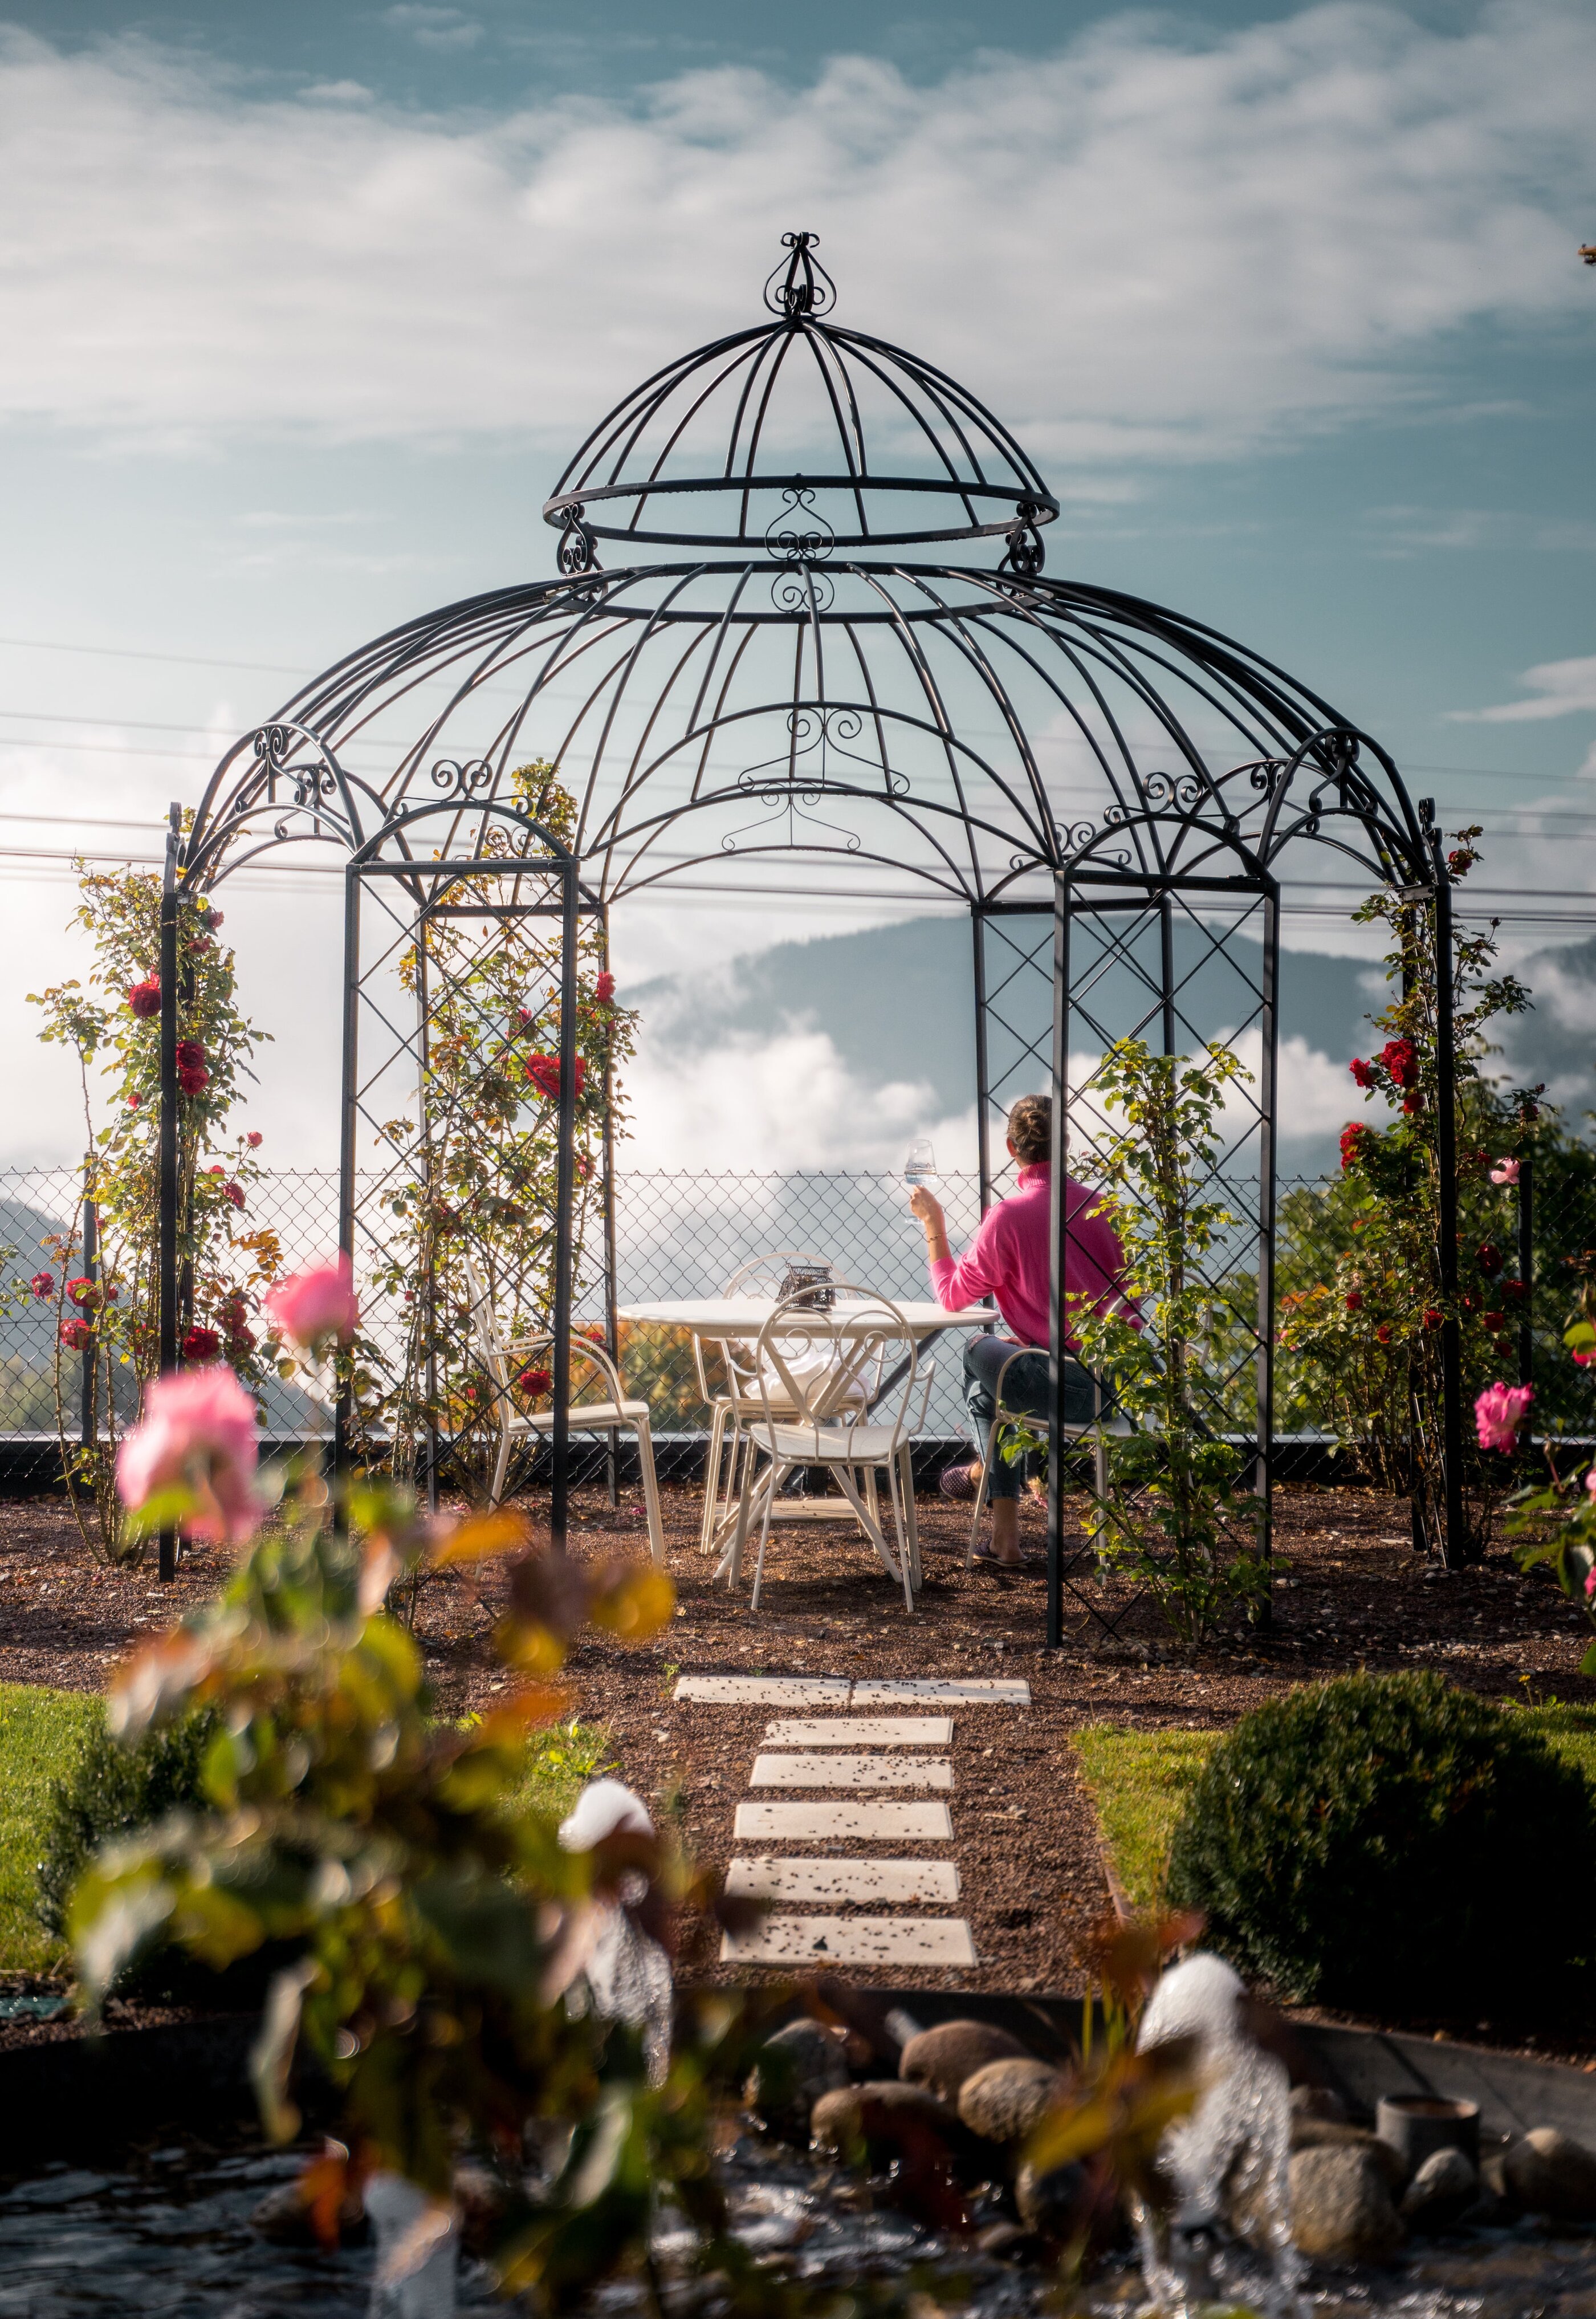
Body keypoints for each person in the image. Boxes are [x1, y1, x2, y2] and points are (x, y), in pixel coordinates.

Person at [909, 1092, 1128, 1568]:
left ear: (1012, 1148)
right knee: (993, 1392)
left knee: (975, 1353)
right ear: (1067, 1143)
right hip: (1110, 1389)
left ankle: (986, 1478)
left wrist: (934, 1224)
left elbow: (951, 1296)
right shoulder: (1105, 1208)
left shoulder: (1008, 1218)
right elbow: (1128, 1301)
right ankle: (1003, 1541)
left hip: (1055, 1385)